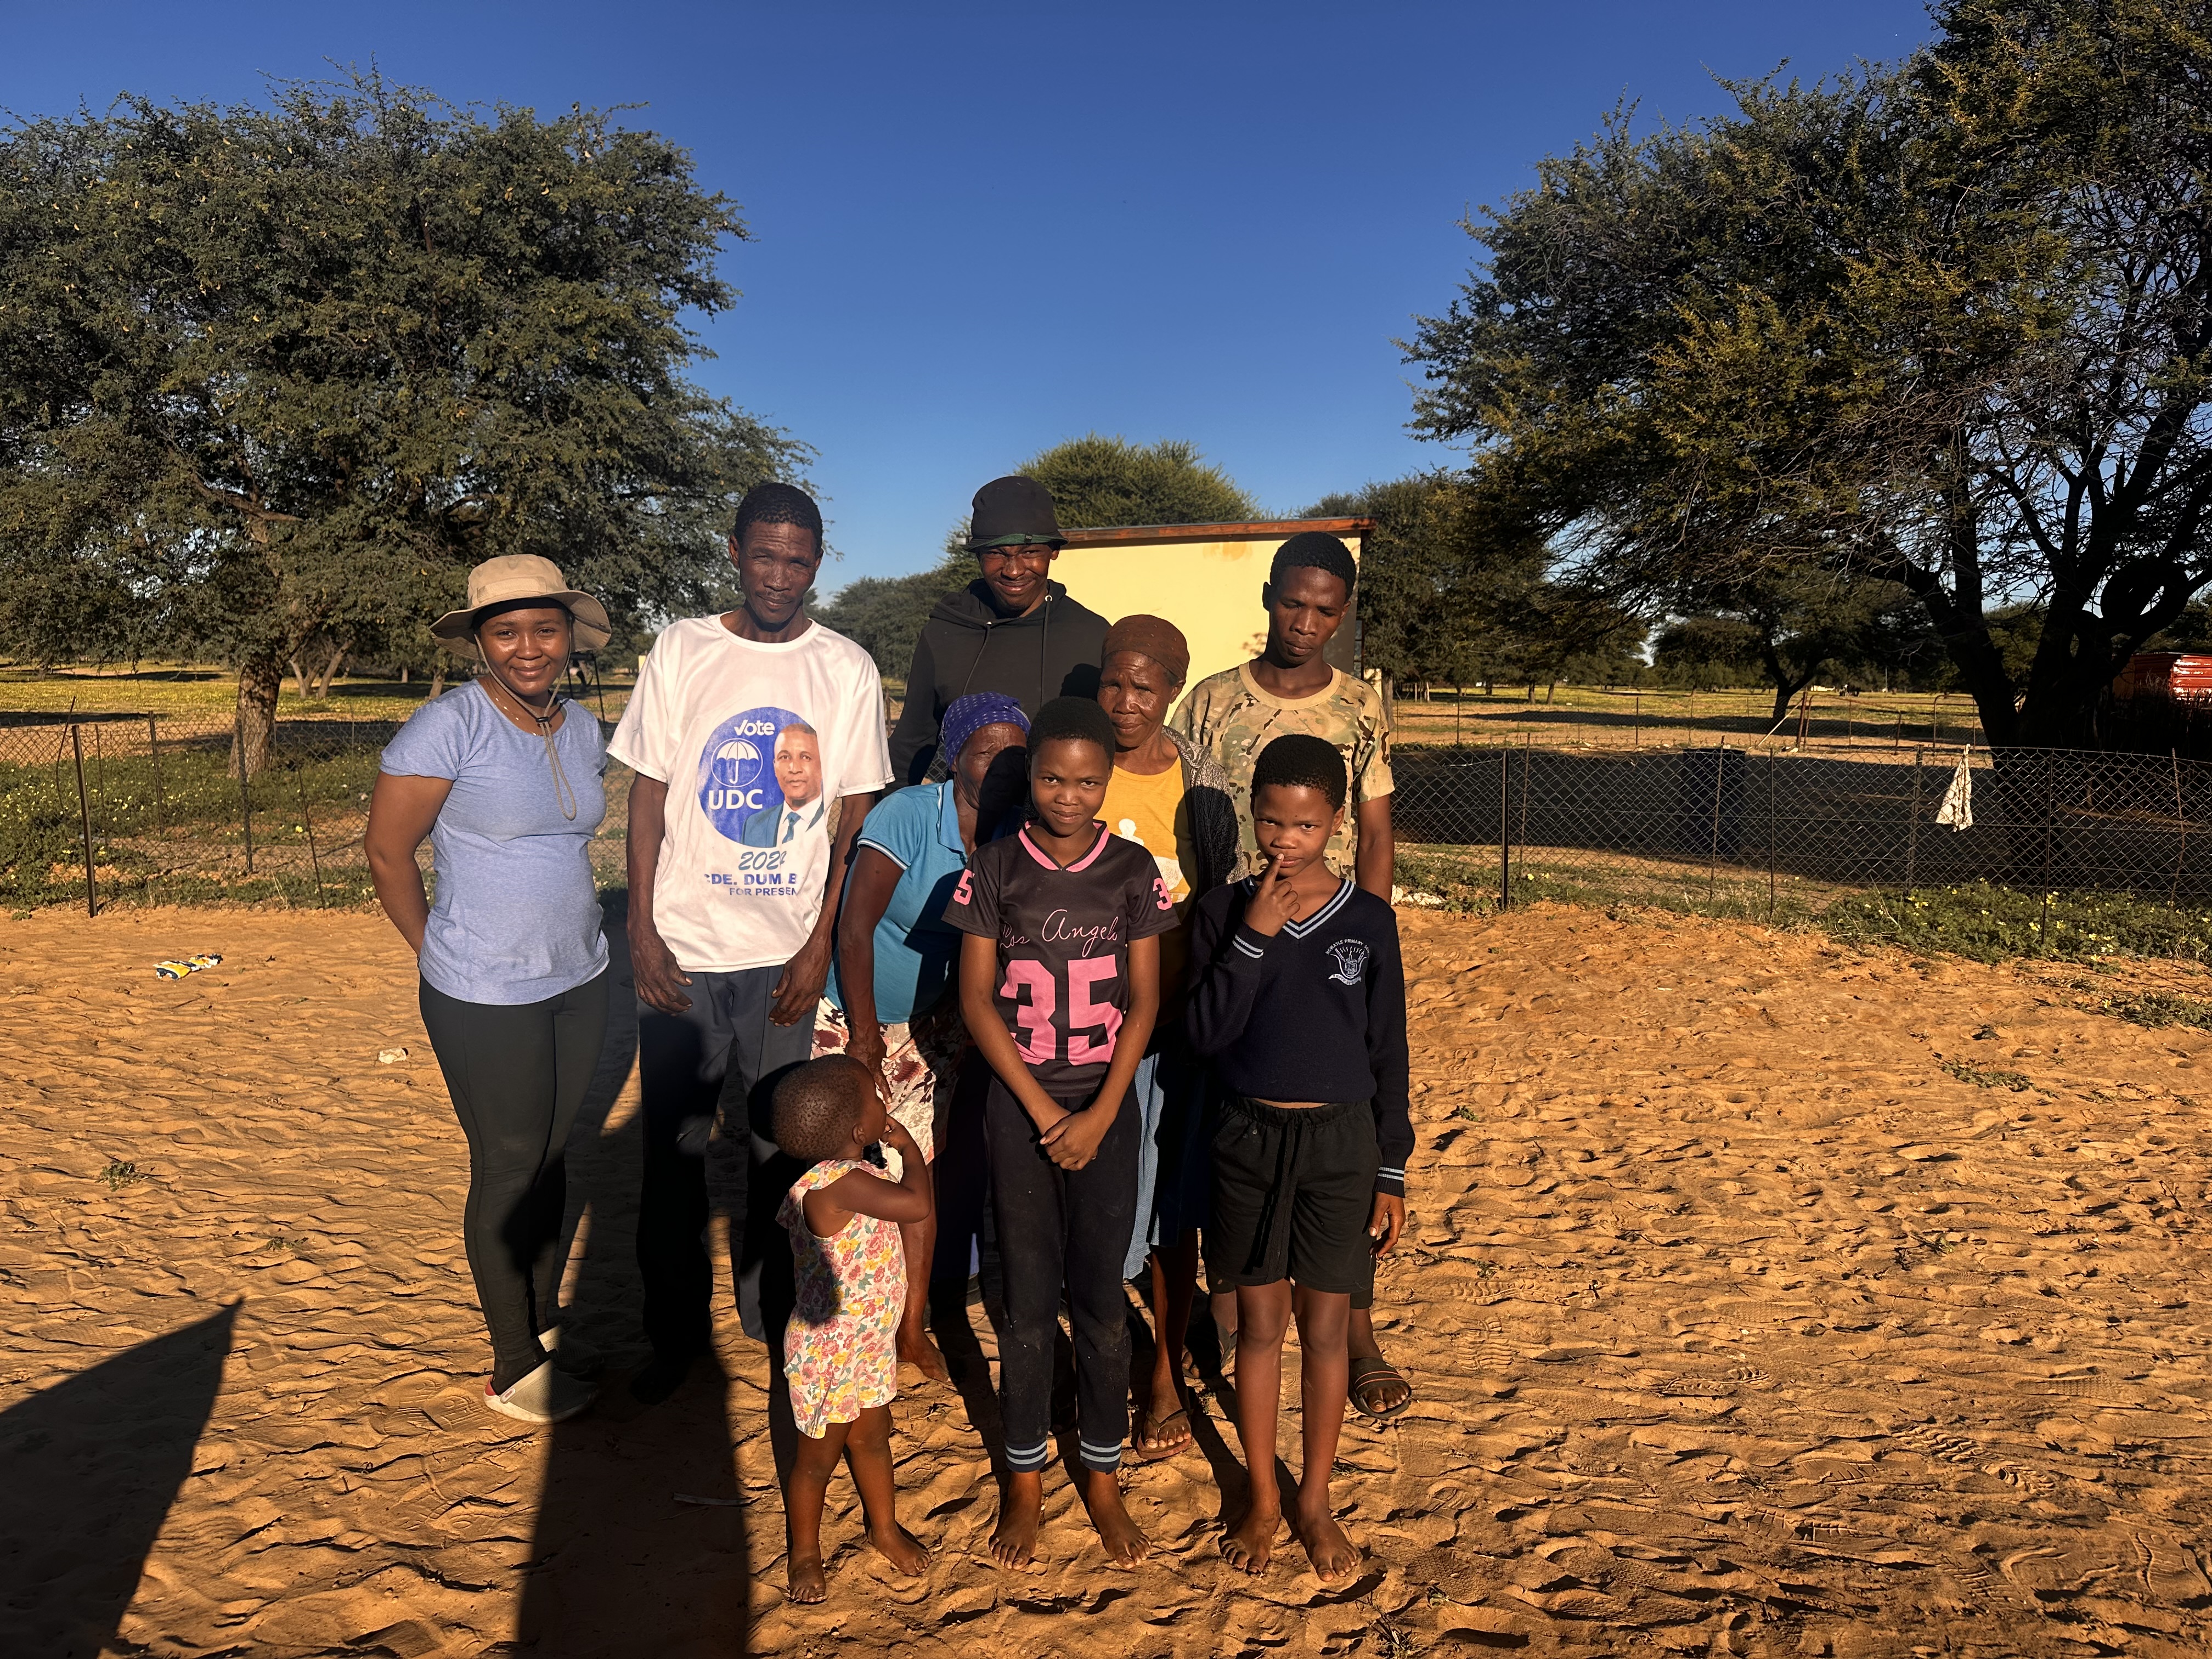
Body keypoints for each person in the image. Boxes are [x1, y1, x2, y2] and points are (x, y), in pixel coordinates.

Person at [608, 481, 894, 1401]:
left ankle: (779, 1322)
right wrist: (641, 926)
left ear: (818, 565)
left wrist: (817, 944)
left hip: (784, 960)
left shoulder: (844, 667)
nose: (778, 576)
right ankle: (673, 1339)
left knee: (783, 1148)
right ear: (734, 551)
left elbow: (852, 816)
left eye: (796, 561)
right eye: (763, 556)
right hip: (685, 950)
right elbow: (649, 793)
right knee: (677, 1151)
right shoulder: (684, 648)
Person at [365, 554, 614, 1425]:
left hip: (581, 974)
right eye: (506, 632)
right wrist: (435, 949)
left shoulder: (582, 728)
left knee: (553, 1154)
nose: (528, 647)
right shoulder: (448, 727)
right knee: (509, 1162)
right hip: (483, 989)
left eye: (545, 628)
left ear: (569, 634)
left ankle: (540, 1325)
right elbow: (387, 852)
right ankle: (513, 1365)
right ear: (479, 642)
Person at [1172, 528, 1414, 1420]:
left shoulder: (1359, 708)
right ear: (1269, 597)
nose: (1305, 621)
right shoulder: (1210, 704)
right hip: (1235, 944)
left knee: (1341, 1139)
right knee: (1234, 1132)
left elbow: (1376, 833)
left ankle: (1356, 1331)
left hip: (1331, 947)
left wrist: (1360, 944)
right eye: (1292, 602)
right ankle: (1234, 1311)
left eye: (1324, 609)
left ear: (1341, 615)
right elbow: (1188, 824)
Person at [943, 697, 1177, 1567]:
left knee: (1103, 1304)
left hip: (1105, 1106)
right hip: (1023, 1111)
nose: (1068, 796)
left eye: (1086, 781)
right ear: (1031, 776)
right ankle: (1026, 1480)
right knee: (1028, 1304)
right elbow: (976, 1001)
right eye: (1051, 778)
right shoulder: (996, 868)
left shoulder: (1133, 870)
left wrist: (1103, 1113)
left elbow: (1145, 1001)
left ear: (1107, 780)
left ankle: (1103, 1477)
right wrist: (1047, 1116)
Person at [1184, 735, 1410, 1583]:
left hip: (1341, 1146)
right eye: (1271, 822)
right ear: (1253, 815)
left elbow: (1389, 1050)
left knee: (1324, 1330)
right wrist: (1253, 938)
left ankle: (1314, 1498)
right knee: (1258, 1328)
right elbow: (1204, 1035)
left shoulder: (1368, 921)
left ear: (1338, 822)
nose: (1286, 840)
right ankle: (1263, 1499)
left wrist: (1391, 1166)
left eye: (1306, 826)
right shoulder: (1223, 912)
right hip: (1246, 1140)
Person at [813, 691, 1031, 1380]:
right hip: (855, 1012)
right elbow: (855, 929)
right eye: (986, 752)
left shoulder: (1019, 827)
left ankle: (911, 1326)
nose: (1000, 767)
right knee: (845, 1167)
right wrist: (864, 1036)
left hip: (936, 1021)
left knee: (919, 1168)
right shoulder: (908, 815)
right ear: (955, 757)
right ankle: (837, 1313)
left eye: (1015, 755)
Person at [1091, 616, 1239, 1462]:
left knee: (1169, 1212)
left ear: (1174, 691)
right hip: (1084, 1033)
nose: (1125, 702)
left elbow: (1218, 900)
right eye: (1113, 682)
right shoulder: (1073, 764)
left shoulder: (1201, 784)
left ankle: (1163, 1379)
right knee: (1098, 1200)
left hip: (1174, 1031)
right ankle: (1101, 1357)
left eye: (1145, 687)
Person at [771, 1056, 933, 1603]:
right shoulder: (841, 1186)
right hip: (830, 1353)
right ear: (861, 1130)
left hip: (866, 1343)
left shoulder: (837, 1178)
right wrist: (910, 1149)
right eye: (875, 1098)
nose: (884, 1103)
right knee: (816, 1463)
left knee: (872, 1439)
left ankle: (883, 1528)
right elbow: (916, 1206)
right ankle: (805, 1553)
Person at [887, 475, 1109, 785]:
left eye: (1030, 553)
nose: (1014, 570)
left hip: (1062, 815)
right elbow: (909, 748)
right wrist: (887, 811)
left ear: (1054, 551)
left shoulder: (1092, 636)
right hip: (966, 817)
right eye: (996, 554)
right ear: (978, 556)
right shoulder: (945, 633)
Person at [741, 724, 825, 847]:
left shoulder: (832, 822)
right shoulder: (754, 825)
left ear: (822, 766)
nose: (794, 769)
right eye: (785, 757)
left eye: (805, 757)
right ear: (775, 767)